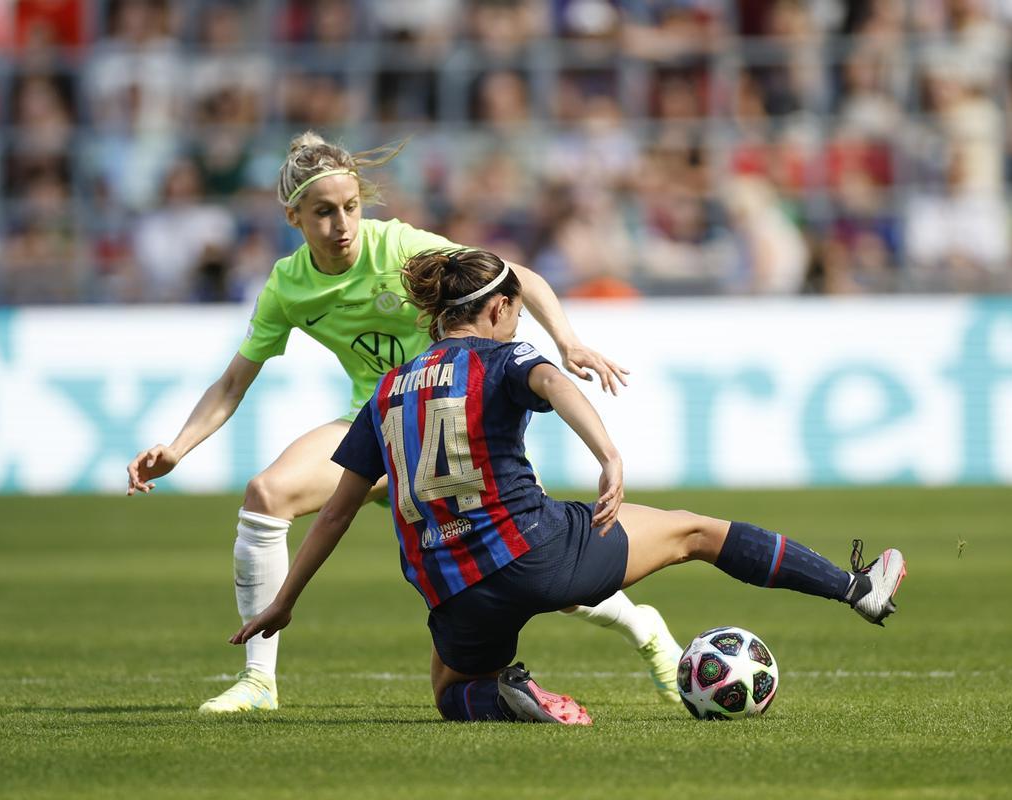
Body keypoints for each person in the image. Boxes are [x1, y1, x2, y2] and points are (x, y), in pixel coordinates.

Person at [127, 132, 683, 713]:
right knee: (266, 493)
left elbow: (517, 279)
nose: (342, 223)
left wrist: (567, 343)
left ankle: (645, 631)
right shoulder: (287, 286)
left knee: (540, 574)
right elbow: (232, 382)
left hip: (447, 434)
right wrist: (179, 449)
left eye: (350, 207)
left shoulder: (399, 248)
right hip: (377, 425)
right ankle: (258, 681)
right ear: (293, 216)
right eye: (323, 212)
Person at [233, 247, 908, 725]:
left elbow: (333, 516)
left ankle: (505, 696)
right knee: (694, 532)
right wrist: (608, 453)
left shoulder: (387, 390)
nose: (519, 322)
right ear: (497, 308)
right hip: (536, 552)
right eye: (517, 311)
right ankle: (857, 589)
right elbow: (552, 378)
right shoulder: (505, 353)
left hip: (451, 586)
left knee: (450, 689)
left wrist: (284, 601)